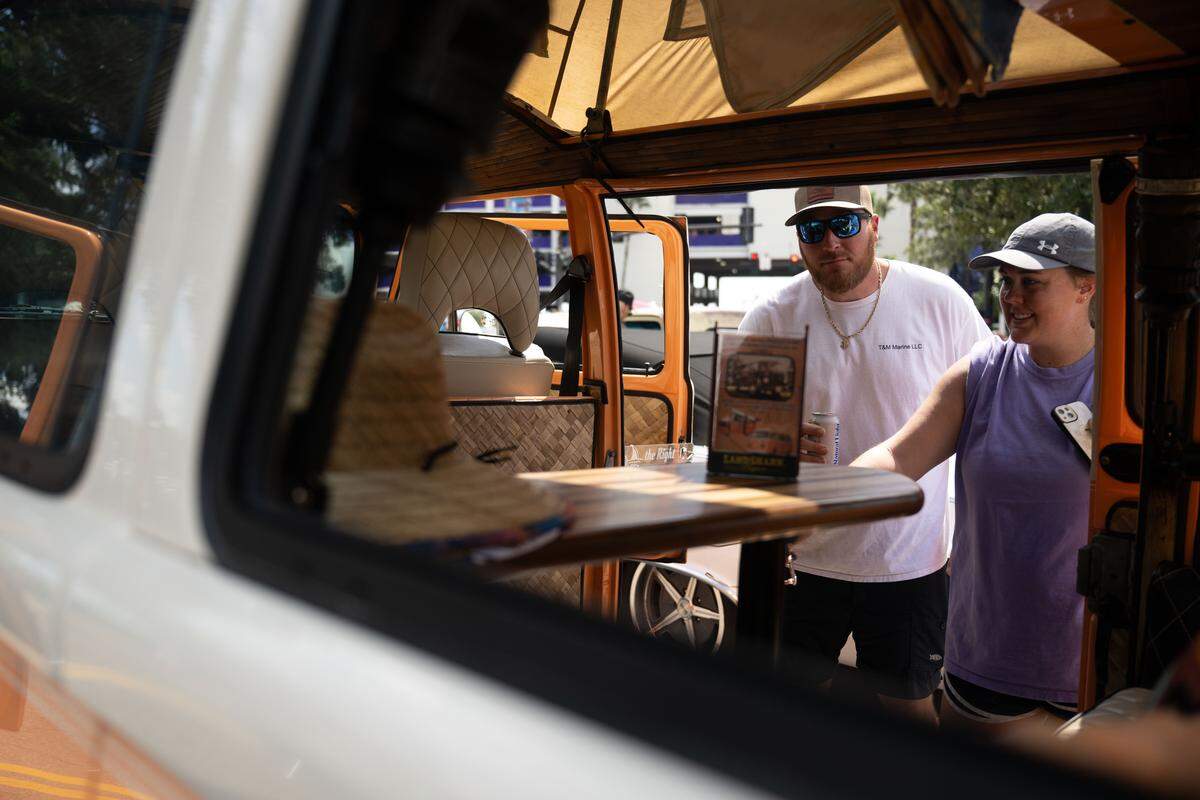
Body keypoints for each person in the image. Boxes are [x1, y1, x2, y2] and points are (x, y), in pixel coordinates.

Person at [738, 185, 990, 722]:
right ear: (799, 242)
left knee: (910, 713)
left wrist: (966, 540)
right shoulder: (772, 315)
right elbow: (743, 445)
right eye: (813, 230)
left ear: (873, 225)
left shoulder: (938, 299)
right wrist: (776, 448)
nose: (830, 242)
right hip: (803, 557)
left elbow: (987, 412)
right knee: (791, 713)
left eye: (844, 226)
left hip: (910, 558)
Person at [853, 212, 1097, 731]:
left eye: (1032, 283)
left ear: (1086, 288)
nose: (1011, 298)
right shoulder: (983, 372)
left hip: (1094, 664)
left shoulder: (1125, 387)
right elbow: (898, 457)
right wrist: (817, 502)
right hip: (989, 658)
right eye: (1007, 282)